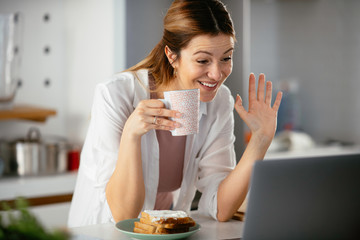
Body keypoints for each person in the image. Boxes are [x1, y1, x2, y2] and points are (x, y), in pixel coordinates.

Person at [68, 0, 282, 227]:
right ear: (172, 56)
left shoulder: (219, 101)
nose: (217, 73)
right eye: (203, 60)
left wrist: (260, 139)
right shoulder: (115, 95)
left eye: (226, 58)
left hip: (164, 232)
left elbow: (221, 208)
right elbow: (124, 215)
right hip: (102, 232)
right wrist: (131, 134)